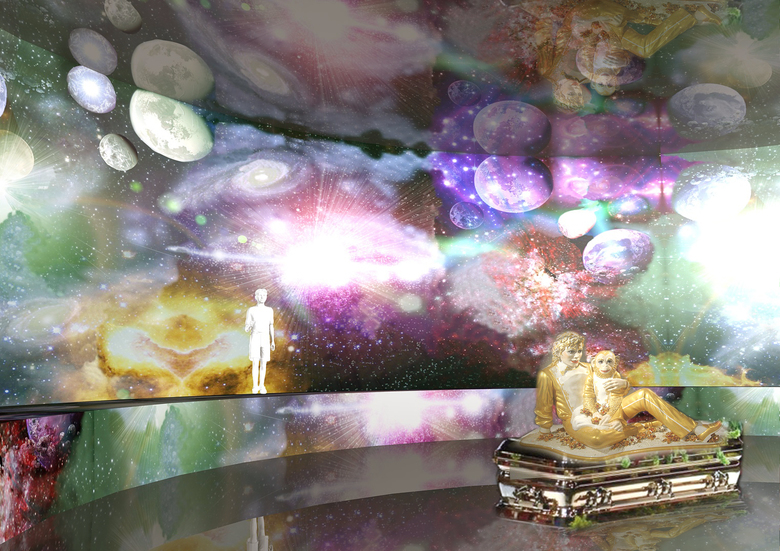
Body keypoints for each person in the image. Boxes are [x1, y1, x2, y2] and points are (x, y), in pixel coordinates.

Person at [534, 331, 721, 449]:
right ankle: (636, 428)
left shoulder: (589, 367)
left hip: (607, 410)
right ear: (559, 351)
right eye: (571, 351)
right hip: (575, 420)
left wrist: (623, 385)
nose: (577, 356)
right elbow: (544, 405)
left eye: (579, 351)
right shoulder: (548, 374)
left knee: (645, 394)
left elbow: (611, 386)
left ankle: (697, 429)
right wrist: (544, 429)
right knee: (598, 440)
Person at [245, 289, 275, 394]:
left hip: (265, 338)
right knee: (255, 362)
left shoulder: (269, 310)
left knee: (263, 363)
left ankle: (262, 385)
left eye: (264, 295)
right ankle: (255, 386)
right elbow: (246, 328)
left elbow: (271, 325)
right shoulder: (251, 310)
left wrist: (272, 341)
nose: (262, 297)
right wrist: (251, 324)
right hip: (255, 337)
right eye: (260, 295)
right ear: (256, 296)